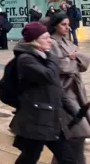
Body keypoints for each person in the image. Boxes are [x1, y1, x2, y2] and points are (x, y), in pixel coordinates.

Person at [10, 22, 77, 164]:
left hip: (49, 118)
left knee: (32, 156)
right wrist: (52, 56)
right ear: (35, 40)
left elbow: (56, 88)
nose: (50, 41)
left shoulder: (43, 56)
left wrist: (74, 110)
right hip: (37, 119)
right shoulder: (26, 59)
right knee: (32, 156)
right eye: (45, 38)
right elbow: (49, 75)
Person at [48, 13, 90, 164]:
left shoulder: (67, 40)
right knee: (78, 133)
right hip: (64, 94)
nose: (67, 27)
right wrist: (74, 60)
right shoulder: (51, 43)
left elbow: (84, 62)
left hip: (76, 92)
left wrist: (76, 58)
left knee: (73, 138)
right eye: (63, 24)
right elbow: (60, 66)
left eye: (68, 24)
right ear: (55, 25)